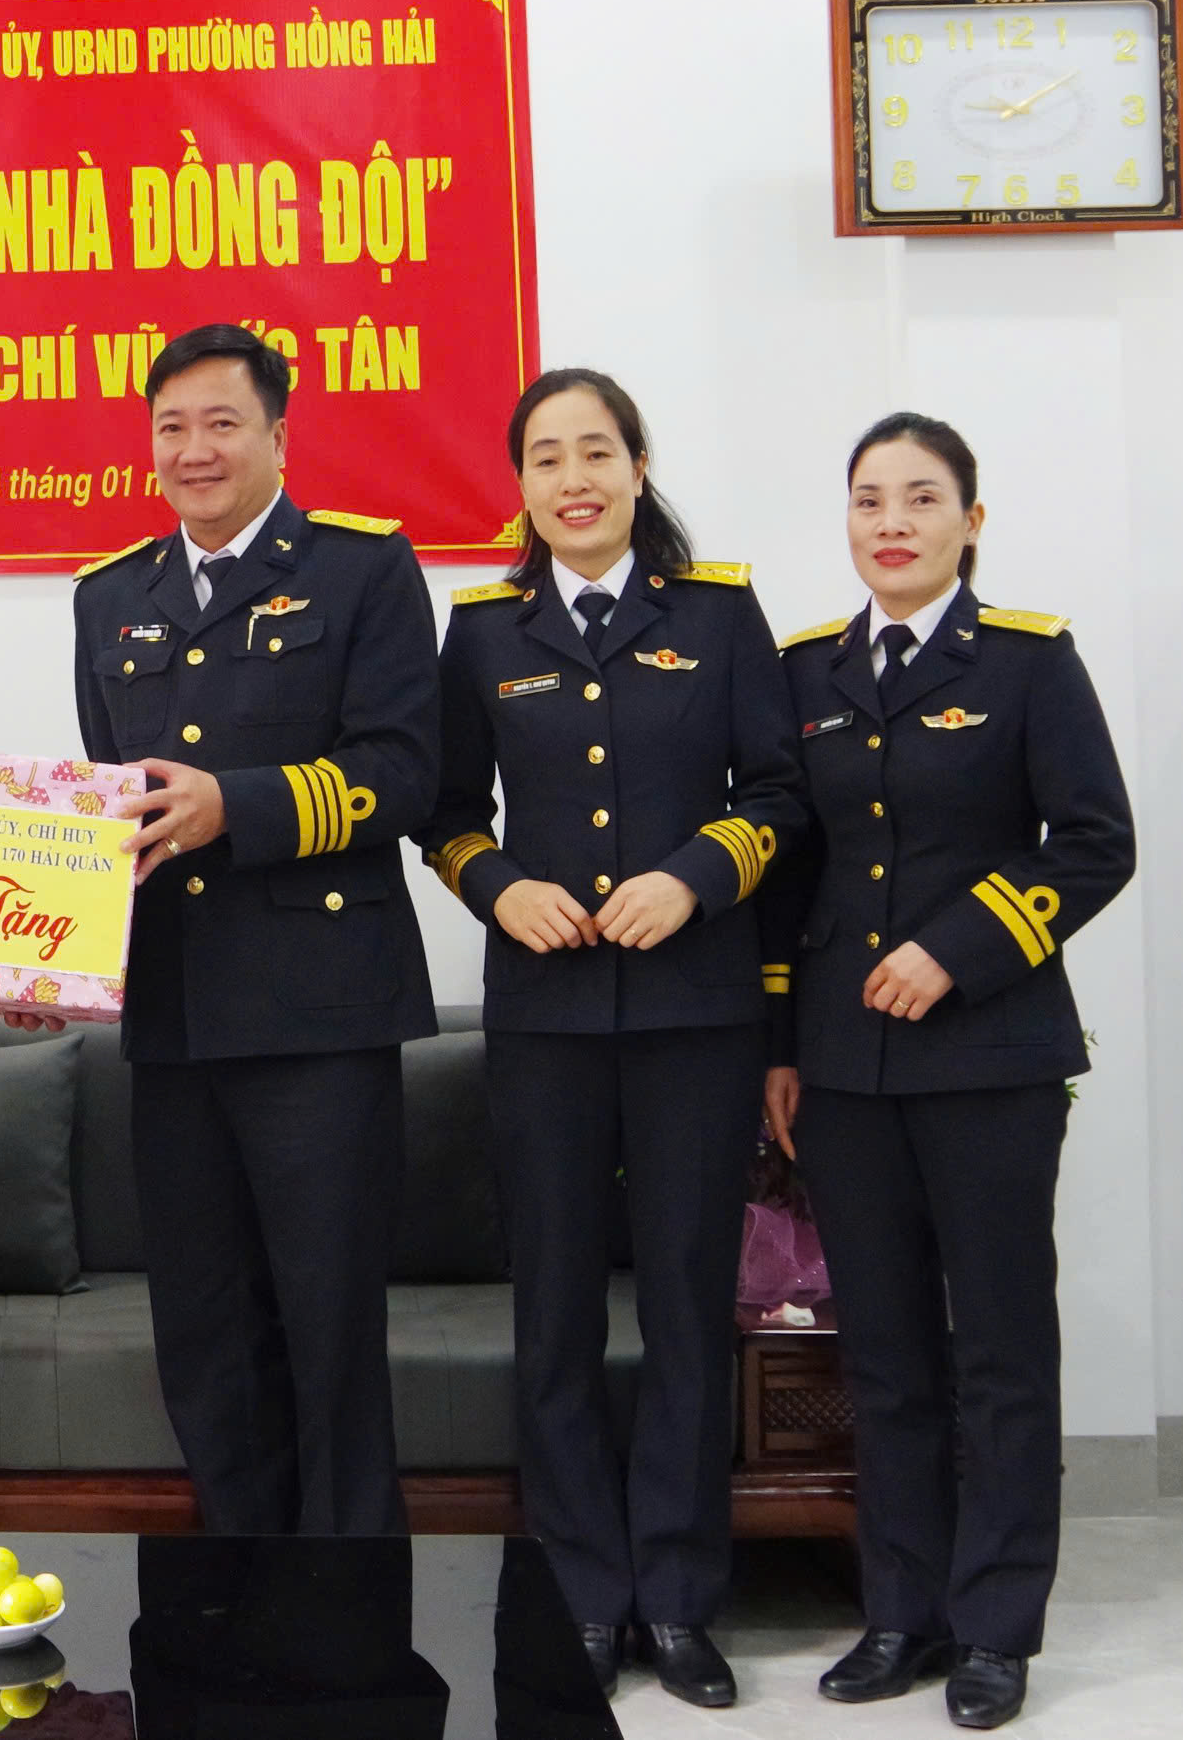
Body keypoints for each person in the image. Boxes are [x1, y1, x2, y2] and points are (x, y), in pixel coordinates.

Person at [424, 369, 802, 1705]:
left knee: (690, 1307)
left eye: (597, 451)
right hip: (547, 1019)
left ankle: (682, 1596)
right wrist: (497, 885)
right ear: (520, 485)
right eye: (546, 457)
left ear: (639, 468)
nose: (573, 478)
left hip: (698, 1013)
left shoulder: (716, 612)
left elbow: (780, 792)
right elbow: (442, 809)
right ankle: (583, 1592)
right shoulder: (484, 628)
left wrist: (697, 874)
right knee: (557, 1312)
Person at [762, 414, 1134, 1730]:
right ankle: (902, 1611)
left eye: (921, 498)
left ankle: (994, 1626)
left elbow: (1092, 842)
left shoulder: (1027, 660)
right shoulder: (806, 669)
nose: (891, 522)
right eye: (868, 499)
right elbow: (792, 866)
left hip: (988, 1057)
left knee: (1000, 1351)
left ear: (971, 521)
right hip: (845, 1066)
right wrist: (781, 1047)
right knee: (886, 1353)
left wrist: (957, 950)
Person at [70, 322, 442, 1537]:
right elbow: (108, 808)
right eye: (170, 426)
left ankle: (347, 1600)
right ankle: (237, 1581)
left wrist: (238, 804)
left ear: (278, 436)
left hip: (318, 1015)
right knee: (204, 1329)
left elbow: (403, 771)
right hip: (173, 1015)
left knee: (328, 1327)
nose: (194, 450)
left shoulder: (361, 569)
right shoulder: (107, 596)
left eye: (221, 423)